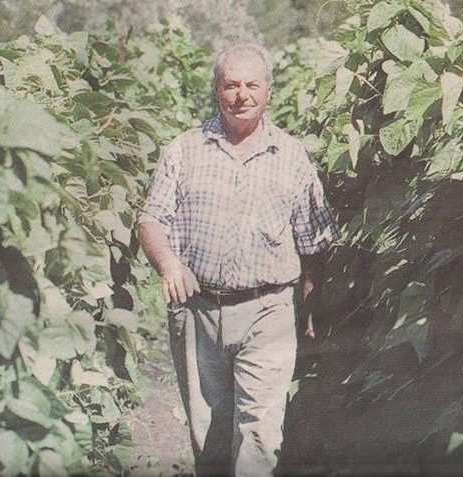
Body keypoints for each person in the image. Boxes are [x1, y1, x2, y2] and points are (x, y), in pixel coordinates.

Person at [136, 42, 340, 476]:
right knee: (208, 435)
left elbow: (315, 243)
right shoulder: (185, 150)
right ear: (216, 89)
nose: (241, 95)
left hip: (269, 309)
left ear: (269, 90)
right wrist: (169, 264)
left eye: (252, 85)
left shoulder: (292, 156)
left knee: (259, 435)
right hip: (199, 310)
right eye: (231, 85)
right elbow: (150, 219)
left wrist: (309, 304)